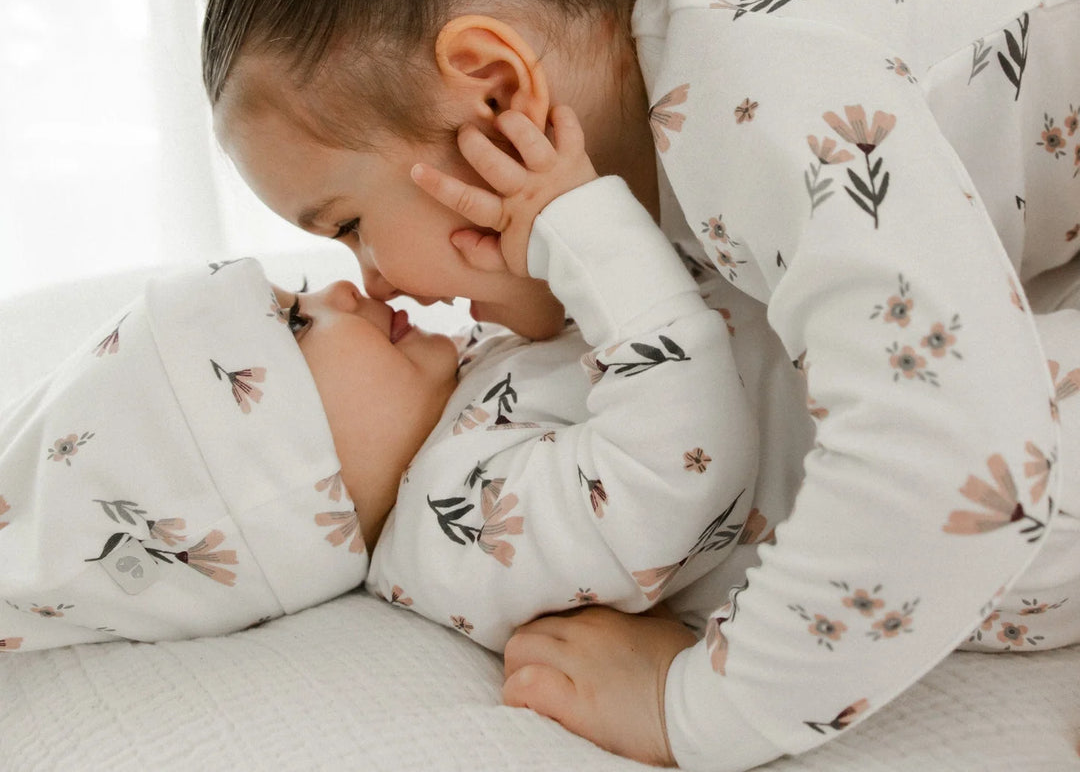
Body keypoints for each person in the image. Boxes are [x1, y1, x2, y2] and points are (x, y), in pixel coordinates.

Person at [200, 0, 1080, 770]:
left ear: (490, 90)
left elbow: (959, 448)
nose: (376, 280)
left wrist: (704, 705)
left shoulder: (753, 103)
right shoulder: (657, 151)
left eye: (349, 222)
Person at [0, 105, 757, 658]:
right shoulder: (452, 527)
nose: (343, 292)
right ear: (293, 485)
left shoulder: (452, 396)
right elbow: (675, 474)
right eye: (296, 323)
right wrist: (588, 232)